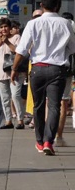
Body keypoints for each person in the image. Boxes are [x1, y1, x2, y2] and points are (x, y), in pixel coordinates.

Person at [11, 0, 75, 156]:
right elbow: (73, 47)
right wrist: (62, 54)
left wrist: (14, 68)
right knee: (54, 106)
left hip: (38, 68)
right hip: (58, 69)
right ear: (58, 6)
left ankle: (39, 142)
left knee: (38, 106)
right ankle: (49, 141)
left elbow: (22, 49)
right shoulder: (66, 23)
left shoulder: (33, 24)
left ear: (41, 5)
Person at [0, 17, 24, 130]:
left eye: (6, 26)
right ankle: (8, 120)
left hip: (15, 72)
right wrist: (0, 42)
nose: (4, 29)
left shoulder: (16, 37)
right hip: (1, 72)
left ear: (10, 28)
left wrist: (7, 42)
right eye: (1, 27)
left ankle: (20, 120)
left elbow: (18, 51)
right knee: (5, 98)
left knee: (15, 96)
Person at [55, 12, 75, 147]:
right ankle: (59, 136)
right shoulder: (72, 28)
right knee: (63, 103)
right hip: (67, 70)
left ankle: (47, 137)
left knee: (49, 103)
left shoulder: (54, 27)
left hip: (49, 68)